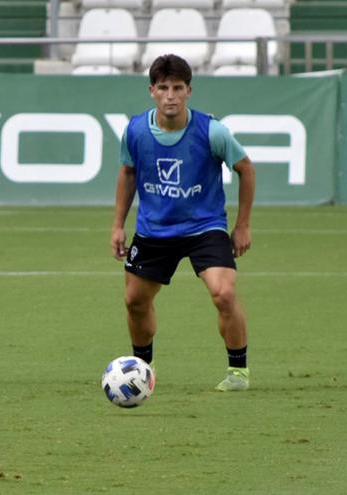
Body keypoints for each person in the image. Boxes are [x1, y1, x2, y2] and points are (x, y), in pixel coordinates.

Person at [110, 54, 256, 392]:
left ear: (189, 91)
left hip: (204, 227)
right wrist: (118, 225)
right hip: (153, 230)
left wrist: (243, 225)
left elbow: (246, 169)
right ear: (152, 91)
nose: (170, 95)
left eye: (178, 88)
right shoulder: (134, 130)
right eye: (163, 88)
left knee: (224, 293)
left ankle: (238, 372)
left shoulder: (212, 131)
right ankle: (143, 369)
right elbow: (127, 172)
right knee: (135, 301)